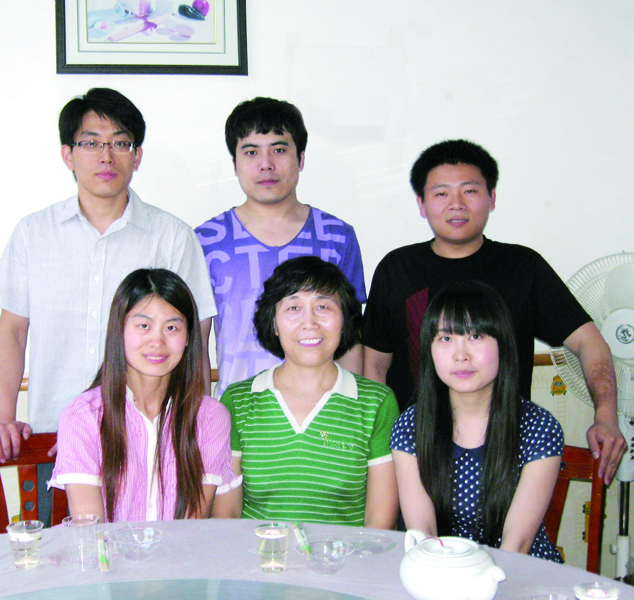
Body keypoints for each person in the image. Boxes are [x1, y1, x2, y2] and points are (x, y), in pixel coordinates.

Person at [0, 88, 216, 517]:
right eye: (91, 142)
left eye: (120, 143)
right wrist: (2, 417)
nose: (106, 156)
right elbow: (12, 331)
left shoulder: (172, 236)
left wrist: (190, 429)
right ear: (68, 155)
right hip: (51, 436)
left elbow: (194, 341)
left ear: (137, 156)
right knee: (64, 555)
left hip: (150, 444)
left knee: (163, 552)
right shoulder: (33, 233)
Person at [362, 139, 625, 483]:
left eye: (470, 190)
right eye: (441, 193)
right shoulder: (397, 268)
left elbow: (589, 341)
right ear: (422, 204)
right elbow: (374, 366)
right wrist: (383, 445)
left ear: (492, 198)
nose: (456, 204)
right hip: (415, 454)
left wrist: (606, 416)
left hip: (505, 456)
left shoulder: (523, 266)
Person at [195, 97, 366, 398]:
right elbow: (196, 345)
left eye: (279, 149)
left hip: (324, 412)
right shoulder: (206, 240)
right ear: (234, 163)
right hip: (238, 412)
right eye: (251, 152)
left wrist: (350, 410)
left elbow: (351, 339)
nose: (266, 164)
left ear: (301, 158)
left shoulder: (337, 237)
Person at [215, 256, 399, 527]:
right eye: (293, 307)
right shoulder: (239, 400)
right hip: (259, 552)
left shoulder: (376, 403)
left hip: (345, 554)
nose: (309, 322)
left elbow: (380, 522)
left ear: (344, 319)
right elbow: (227, 516)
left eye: (323, 306)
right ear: (274, 323)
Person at [392, 281, 564, 561]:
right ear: (429, 349)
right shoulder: (410, 426)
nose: (461, 355)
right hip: (442, 570)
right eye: (446, 339)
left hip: (521, 572)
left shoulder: (538, 428)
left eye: (475, 336)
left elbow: (517, 543)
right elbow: (423, 533)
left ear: (502, 343)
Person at [50, 268, 240, 521]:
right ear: (119, 330)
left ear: (188, 337)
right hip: (108, 548)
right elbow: (90, 528)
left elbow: (193, 527)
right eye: (144, 325)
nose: (157, 341)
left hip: (182, 547)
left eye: (171, 327)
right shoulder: (83, 415)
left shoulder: (209, 416)